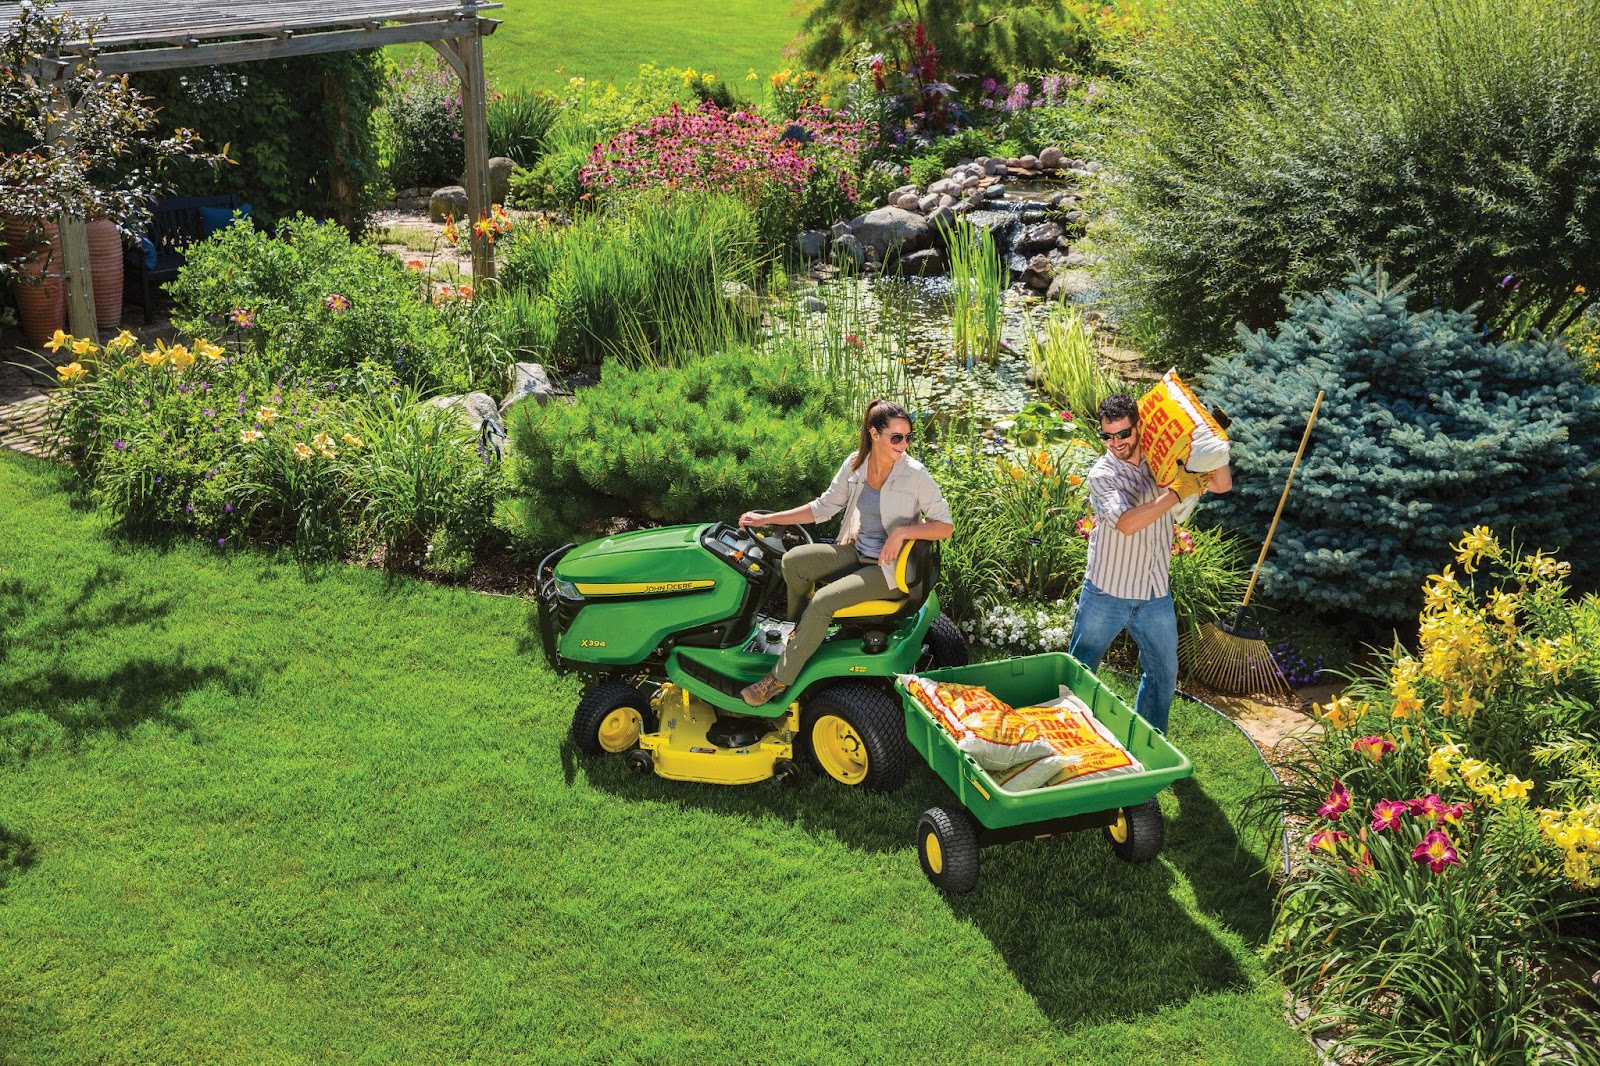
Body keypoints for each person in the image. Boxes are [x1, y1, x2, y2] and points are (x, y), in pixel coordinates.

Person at [736, 399, 953, 706]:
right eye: (896, 437)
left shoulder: (914, 474)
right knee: (794, 562)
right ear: (874, 434)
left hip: (888, 569)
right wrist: (767, 519)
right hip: (857, 551)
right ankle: (803, 632)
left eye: (908, 437)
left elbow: (945, 526)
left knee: (824, 601)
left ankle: (778, 680)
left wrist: (905, 532)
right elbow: (822, 508)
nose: (903, 445)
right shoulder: (856, 465)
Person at [1068, 394, 1231, 733]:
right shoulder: (1103, 474)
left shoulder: (1164, 460)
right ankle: (1070, 739)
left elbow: (1221, 484)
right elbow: (1127, 523)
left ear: (1138, 427)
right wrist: (1175, 493)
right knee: (1080, 672)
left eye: (1123, 434)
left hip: (1155, 592)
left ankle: (1149, 746)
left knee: (1163, 674)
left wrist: (1212, 441)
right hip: (1107, 592)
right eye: (1108, 436)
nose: (1116, 443)